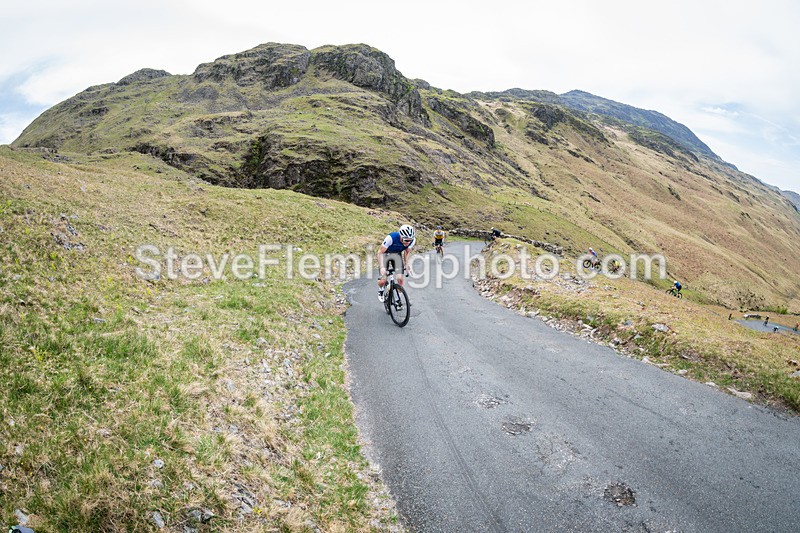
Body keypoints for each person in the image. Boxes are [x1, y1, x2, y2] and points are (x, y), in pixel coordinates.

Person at [377, 224, 416, 302]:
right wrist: (382, 267)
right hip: (385, 254)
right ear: (401, 236)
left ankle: (398, 298)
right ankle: (381, 290)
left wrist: (406, 264)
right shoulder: (391, 238)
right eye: (406, 240)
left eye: (410, 240)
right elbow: (380, 252)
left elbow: (407, 251)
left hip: (396, 255)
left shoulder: (412, 240)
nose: (408, 242)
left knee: (400, 279)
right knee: (383, 280)